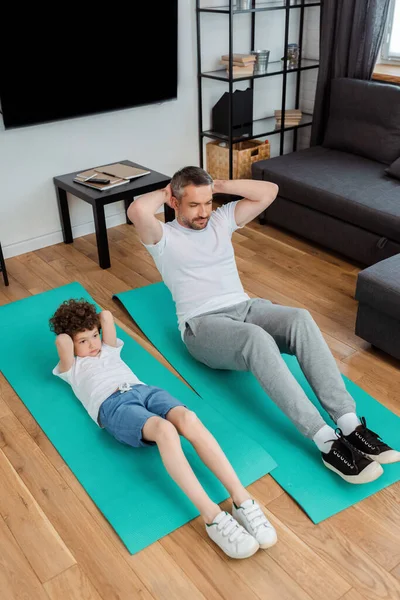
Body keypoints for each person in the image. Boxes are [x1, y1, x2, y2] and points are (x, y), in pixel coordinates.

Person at [128, 166, 400, 485]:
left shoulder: (220, 218)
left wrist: (216, 186)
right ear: (174, 204)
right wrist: (168, 191)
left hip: (245, 307)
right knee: (256, 340)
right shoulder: (163, 237)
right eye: (194, 205)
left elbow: (269, 190)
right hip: (202, 326)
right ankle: (327, 442)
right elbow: (136, 209)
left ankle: (350, 424)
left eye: (208, 202)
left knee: (300, 318)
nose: (204, 212)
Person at [49, 299, 277, 559]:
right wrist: (70, 334)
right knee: (165, 430)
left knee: (188, 418)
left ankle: (242, 499)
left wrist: (92, 324)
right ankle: (212, 516)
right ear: (71, 341)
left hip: (143, 391)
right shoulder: (71, 368)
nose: (92, 344)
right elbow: (63, 344)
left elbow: (107, 317)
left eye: (94, 336)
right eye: (83, 341)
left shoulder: (109, 349)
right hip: (112, 405)